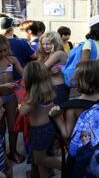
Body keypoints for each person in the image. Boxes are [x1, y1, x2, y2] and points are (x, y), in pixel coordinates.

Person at [48, 60, 99, 178]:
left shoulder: (73, 106)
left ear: (79, 82)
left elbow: (66, 134)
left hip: (83, 161)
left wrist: (57, 117)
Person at [19, 61, 60, 178]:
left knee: (41, 159)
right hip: (49, 127)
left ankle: (68, 168)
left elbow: (22, 111)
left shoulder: (34, 95)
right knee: (39, 160)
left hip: (39, 130)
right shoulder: (47, 90)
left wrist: (23, 97)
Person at [0, 35, 25, 164]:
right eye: (0, 51)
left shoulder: (12, 60)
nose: (3, 53)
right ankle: (2, 155)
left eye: (5, 50)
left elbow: (24, 74)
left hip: (10, 97)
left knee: (13, 126)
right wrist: (3, 86)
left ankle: (13, 151)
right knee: (1, 128)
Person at [38, 32, 69, 105]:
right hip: (52, 88)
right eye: (43, 44)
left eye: (48, 44)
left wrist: (48, 72)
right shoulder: (49, 54)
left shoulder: (58, 53)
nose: (44, 47)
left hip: (58, 88)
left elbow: (38, 70)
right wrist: (49, 73)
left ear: (56, 43)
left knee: (56, 114)